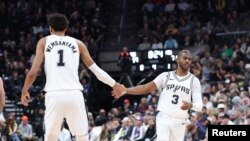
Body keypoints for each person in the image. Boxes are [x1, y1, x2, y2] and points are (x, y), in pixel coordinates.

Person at [20, 13, 124, 141]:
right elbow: (96, 70)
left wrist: (25, 90)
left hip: (54, 94)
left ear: (50, 28)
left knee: (50, 137)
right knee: (81, 137)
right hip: (75, 94)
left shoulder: (44, 41)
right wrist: (115, 84)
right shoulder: (78, 43)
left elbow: (33, 72)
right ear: (66, 28)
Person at [113, 50, 203, 141]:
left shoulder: (194, 81)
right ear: (178, 59)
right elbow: (146, 87)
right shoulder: (165, 76)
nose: (187, 61)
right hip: (164, 117)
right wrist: (126, 90)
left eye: (189, 59)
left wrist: (191, 105)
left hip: (181, 121)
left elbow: (199, 106)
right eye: (185, 58)